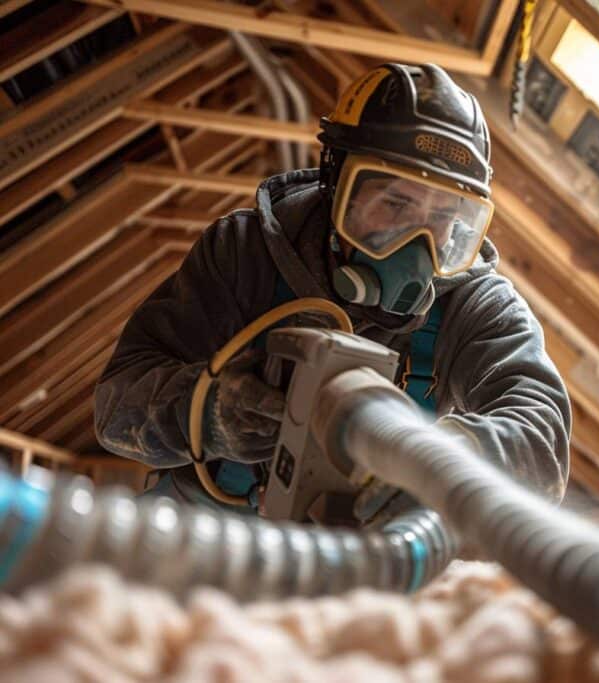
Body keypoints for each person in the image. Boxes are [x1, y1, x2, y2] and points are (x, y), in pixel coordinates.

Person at [93, 63, 571, 513]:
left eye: (445, 217)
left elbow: (541, 442)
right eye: (396, 203)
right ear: (337, 183)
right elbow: (116, 407)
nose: (419, 241)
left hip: (348, 566)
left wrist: (436, 462)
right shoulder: (245, 254)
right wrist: (206, 410)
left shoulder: (478, 306)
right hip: (203, 540)